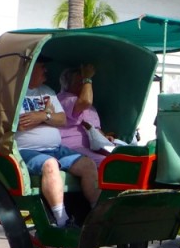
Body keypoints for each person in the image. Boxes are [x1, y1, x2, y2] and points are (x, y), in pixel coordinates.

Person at [16, 57, 100, 227]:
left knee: (88, 165)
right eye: (42, 67)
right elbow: (21, 124)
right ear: (30, 69)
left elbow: (61, 119)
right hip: (27, 150)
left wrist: (41, 116)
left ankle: (97, 216)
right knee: (50, 164)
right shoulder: (15, 94)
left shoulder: (47, 91)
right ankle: (62, 220)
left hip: (56, 148)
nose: (46, 71)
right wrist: (48, 117)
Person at [57, 64, 112, 166]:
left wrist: (104, 137)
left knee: (125, 154)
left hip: (94, 147)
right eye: (79, 82)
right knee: (107, 163)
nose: (83, 86)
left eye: (83, 82)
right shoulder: (63, 99)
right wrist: (87, 78)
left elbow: (95, 129)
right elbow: (86, 101)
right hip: (72, 148)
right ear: (67, 84)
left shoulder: (90, 107)